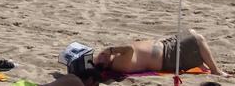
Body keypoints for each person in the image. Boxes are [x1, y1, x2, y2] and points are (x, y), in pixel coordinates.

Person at [85, 31, 227, 78]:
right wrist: (110, 50)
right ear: (105, 65)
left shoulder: (115, 61)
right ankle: (215, 70)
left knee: (189, 32)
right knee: (198, 38)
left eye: (99, 55)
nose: (100, 55)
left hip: (166, 47)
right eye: (101, 57)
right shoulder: (119, 64)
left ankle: (198, 61)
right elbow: (129, 49)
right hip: (168, 57)